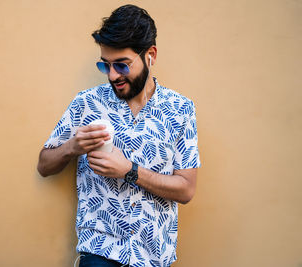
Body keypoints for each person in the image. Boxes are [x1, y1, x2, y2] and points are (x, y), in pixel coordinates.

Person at [37, 4, 201, 267]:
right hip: (99, 254)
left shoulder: (181, 109)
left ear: (150, 55)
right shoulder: (86, 103)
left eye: (122, 66)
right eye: (106, 65)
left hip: (153, 258)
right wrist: (72, 147)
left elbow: (186, 189)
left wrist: (129, 170)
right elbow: (44, 165)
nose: (113, 75)